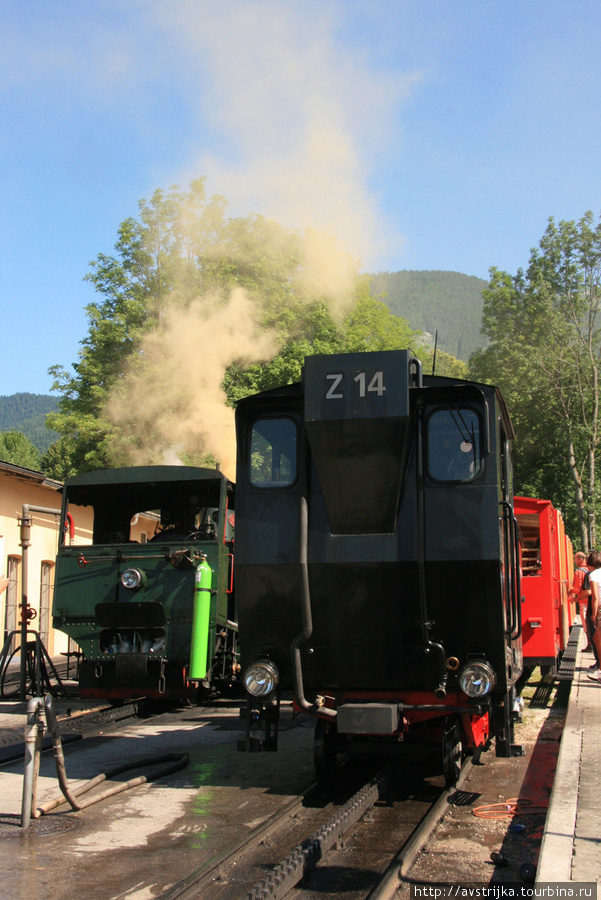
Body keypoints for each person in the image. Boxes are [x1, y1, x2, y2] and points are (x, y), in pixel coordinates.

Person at [570, 550, 592, 649]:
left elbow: (577, 589)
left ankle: (590, 644)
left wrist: (568, 591)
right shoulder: (590, 570)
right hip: (592, 601)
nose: (574, 561)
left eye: (575, 558)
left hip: (583, 602)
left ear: (581, 559)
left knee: (586, 624)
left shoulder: (579, 572)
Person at [585, 550, 601, 681]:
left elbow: (595, 596)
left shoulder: (593, 575)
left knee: (597, 639)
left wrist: (594, 614)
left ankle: (600, 670)